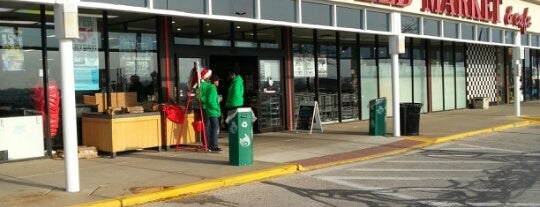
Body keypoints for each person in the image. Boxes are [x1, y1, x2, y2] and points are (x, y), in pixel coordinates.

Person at [205, 75, 222, 152]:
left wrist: (218, 99)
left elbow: (212, 100)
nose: (218, 82)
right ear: (214, 82)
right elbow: (211, 102)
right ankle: (214, 146)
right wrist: (217, 107)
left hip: (212, 111)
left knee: (213, 128)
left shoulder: (212, 89)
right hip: (213, 112)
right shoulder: (212, 89)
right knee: (215, 128)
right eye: (218, 81)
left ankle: (212, 145)